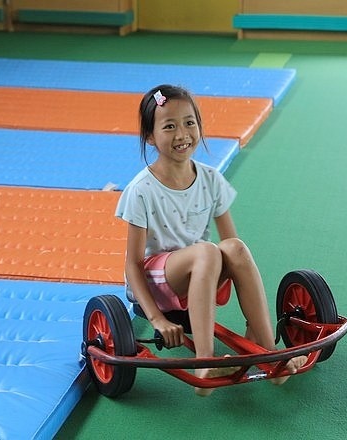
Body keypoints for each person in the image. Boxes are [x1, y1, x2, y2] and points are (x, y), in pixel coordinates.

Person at [115, 84, 306, 396]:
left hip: (198, 271)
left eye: (190, 123)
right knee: (205, 250)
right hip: (155, 283)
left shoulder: (210, 179)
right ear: (150, 136)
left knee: (235, 247)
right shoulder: (141, 190)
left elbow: (232, 248)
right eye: (169, 126)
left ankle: (269, 351)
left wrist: (252, 319)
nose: (182, 134)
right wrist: (157, 319)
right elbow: (133, 265)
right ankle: (204, 359)